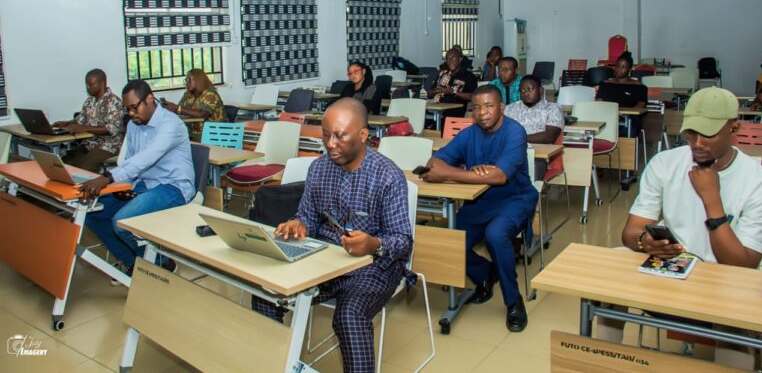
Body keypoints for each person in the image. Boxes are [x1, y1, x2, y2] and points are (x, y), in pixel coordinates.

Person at [599, 87, 762, 369]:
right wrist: (645, 242)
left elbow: (742, 264)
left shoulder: (758, 182)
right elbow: (630, 232)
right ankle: (602, 364)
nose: (698, 142)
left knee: (736, 320)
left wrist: (712, 201)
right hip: (673, 272)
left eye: (708, 133)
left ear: (734, 128)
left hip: (727, 280)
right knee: (607, 289)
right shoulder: (665, 163)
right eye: (691, 132)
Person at [252, 98, 411, 373]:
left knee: (349, 316)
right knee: (266, 292)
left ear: (363, 135)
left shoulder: (387, 176)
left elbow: (403, 240)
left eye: (340, 135)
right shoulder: (319, 169)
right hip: (325, 260)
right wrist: (297, 224)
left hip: (374, 266)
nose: (330, 143)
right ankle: (273, 365)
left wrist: (374, 243)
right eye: (326, 135)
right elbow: (307, 217)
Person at [421, 85, 538, 332]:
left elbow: (499, 177)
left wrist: (452, 173)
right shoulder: (469, 133)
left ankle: (513, 301)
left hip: (514, 198)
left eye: (489, 106)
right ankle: (485, 274)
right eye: (476, 107)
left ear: (501, 107)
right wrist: (470, 174)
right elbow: (435, 162)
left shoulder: (515, 132)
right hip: (479, 200)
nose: (482, 112)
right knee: (450, 240)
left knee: (495, 235)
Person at [81, 80, 196, 278]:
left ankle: (162, 263)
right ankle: (133, 264)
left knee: (122, 222)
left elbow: (147, 157)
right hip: (143, 184)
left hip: (173, 186)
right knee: (92, 215)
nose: (131, 114)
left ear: (149, 99)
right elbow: (130, 161)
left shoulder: (171, 124)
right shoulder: (135, 124)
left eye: (134, 108)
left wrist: (107, 178)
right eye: (128, 110)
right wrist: (122, 185)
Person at [53, 69, 125, 172]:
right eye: (87, 85)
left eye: (91, 84)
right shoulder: (89, 101)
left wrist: (82, 128)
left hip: (109, 146)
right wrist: (68, 123)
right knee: (64, 164)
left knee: (84, 169)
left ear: (102, 83)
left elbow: (111, 129)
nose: (88, 88)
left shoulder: (114, 102)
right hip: (89, 144)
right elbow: (81, 120)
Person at [503, 75, 564, 180]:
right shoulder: (510, 109)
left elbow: (548, 137)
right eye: (522, 90)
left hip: (538, 156)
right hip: (511, 153)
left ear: (540, 90)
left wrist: (517, 139)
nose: (525, 93)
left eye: (530, 89)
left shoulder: (552, 109)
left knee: (531, 170)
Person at [162, 69, 225, 141]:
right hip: (193, 133)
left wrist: (177, 108)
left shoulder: (210, 94)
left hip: (213, 134)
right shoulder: (188, 94)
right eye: (186, 80)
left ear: (199, 80)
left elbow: (202, 114)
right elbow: (180, 109)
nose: (186, 83)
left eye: (189, 80)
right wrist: (170, 108)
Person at [596, 51, 647, 137]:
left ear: (630, 69)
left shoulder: (639, 86)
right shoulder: (606, 84)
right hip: (607, 116)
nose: (619, 69)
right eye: (618, 66)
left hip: (629, 118)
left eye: (623, 67)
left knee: (628, 129)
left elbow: (641, 104)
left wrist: (624, 114)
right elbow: (599, 102)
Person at [428, 48, 478, 119]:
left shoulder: (468, 76)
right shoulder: (442, 74)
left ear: (460, 59)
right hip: (436, 110)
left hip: (454, 113)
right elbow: (429, 94)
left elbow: (472, 96)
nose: (449, 61)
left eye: (452, 58)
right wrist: (434, 91)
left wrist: (453, 92)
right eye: (447, 59)